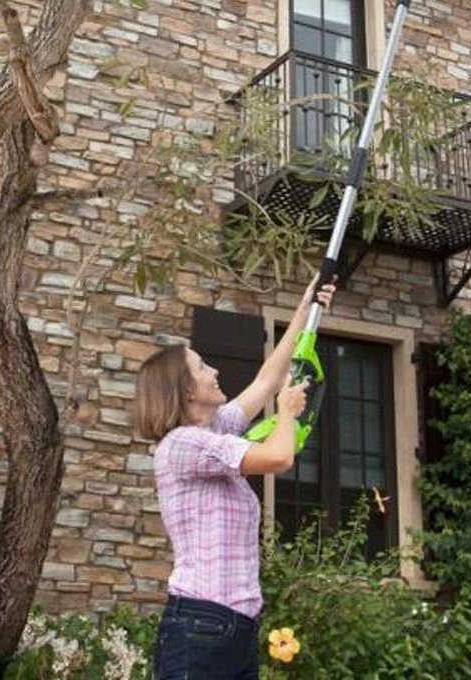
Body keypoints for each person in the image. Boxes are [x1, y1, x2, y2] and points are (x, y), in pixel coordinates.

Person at [134, 276, 336, 680]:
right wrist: (287, 412)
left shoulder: (216, 429)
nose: (215, 370)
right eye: (202, 367)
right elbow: (279, 456)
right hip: (200, 627)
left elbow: (266, 381)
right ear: (186, 391)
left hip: (237, 629)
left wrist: (305, 308)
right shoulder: (182, 445)